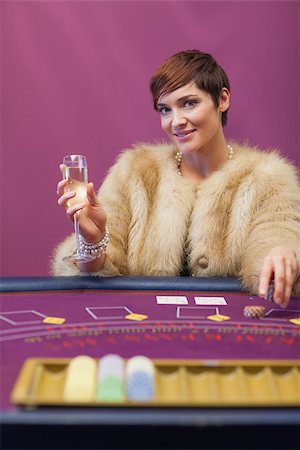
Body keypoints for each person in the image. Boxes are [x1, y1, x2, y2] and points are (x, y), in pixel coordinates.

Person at [52, 49, 300, 308]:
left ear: (222, 99)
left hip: (232, 335)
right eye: (164, 109)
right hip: (145, 331)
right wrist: (92, 243)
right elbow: (97, 270)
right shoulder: (134, 171)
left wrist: (280, 253)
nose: (176, 121)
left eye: (189, 103)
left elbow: (278, 232)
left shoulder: (270, 176)